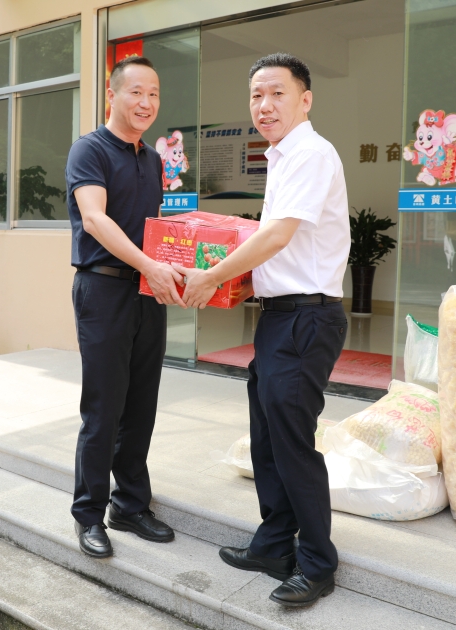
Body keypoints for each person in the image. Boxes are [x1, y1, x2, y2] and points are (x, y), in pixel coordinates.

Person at [173, 53, 350, 608]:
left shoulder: (311, 154)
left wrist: (211, 277)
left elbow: (276, 237)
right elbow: (276, 243)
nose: (264, 106)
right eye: (256, 96)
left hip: (306, 317)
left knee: (292, 444)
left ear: (306, 99)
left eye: (277, 93)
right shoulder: (283, 156)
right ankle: (274, 544)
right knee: (268, 438)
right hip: (281, 316)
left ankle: (317, 564)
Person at [65, 56, 185, 559]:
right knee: (104, 407)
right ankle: (89, 514)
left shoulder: (153, 160)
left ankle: (130, 506)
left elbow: (150, 228)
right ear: (112, 95)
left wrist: (173, 263)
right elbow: (95, 220)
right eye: (136, 92)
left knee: (141, 404)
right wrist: (150, 266)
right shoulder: (89, 149)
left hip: (147, 291)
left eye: (153, 93)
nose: (146, 102)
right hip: (104, 289)